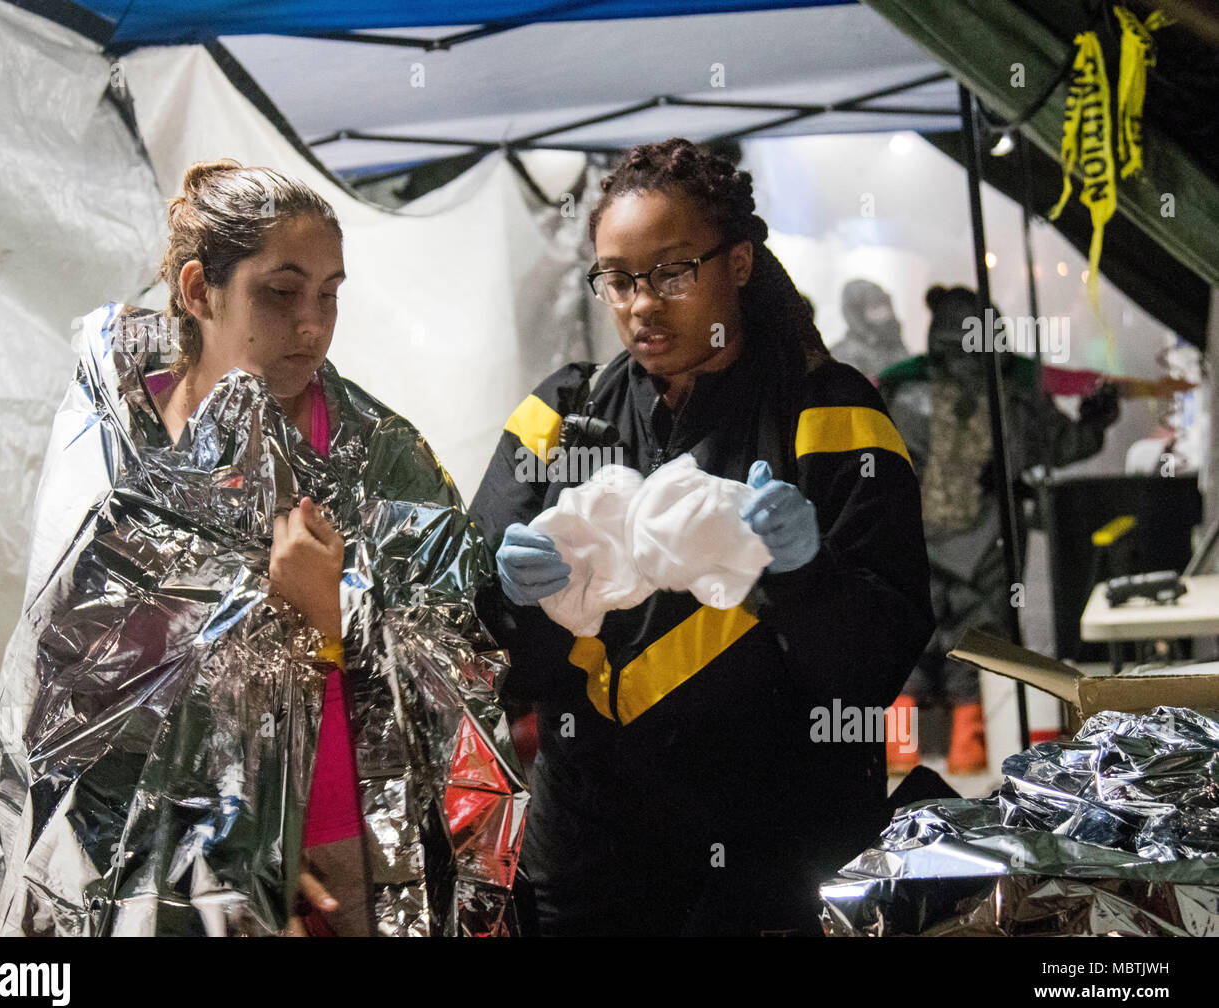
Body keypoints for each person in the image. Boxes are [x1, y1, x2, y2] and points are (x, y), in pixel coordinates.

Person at [0, 159, 523, 937]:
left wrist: (340, 613)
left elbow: (464, 656)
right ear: (200, 291)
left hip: (353, 841)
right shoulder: (113, 450)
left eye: (330, 294)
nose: (313, 325)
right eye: (281, 291)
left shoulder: (378, 454)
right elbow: (64, 692)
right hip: (156, 851)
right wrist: (239, 841)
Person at [469, 138, 935, 936]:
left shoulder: (829, 417)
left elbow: (874, 668)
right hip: (592, 855)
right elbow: (492, 664)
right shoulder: (556, 419)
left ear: (740, 263)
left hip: (778, 850)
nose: (642, 303)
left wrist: (806, 574)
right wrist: (511, 605)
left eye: (673, 271)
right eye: (617, 278)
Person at [878, 285, 1120, 774]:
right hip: (988, 540)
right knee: (981, 638)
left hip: (912, 543)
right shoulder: (1009, 387)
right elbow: (1057, 445)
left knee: (908, 636)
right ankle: (971, 753)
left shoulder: (899, 389)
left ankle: (899, 749)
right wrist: (1096, 422)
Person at [827, 279, 910, 382]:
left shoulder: (896, 346)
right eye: (875, 307)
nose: (883, 312)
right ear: (856, 314)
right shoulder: (843, 355)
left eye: (885, 305)